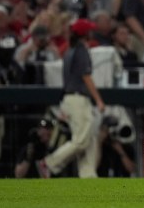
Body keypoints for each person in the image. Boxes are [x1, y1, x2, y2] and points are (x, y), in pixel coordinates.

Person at [36, 18, 105, 178]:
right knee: (81, 140)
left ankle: (88, 176)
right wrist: (99, 100)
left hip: (71, 99)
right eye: (89, 30)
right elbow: (86, 76)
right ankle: (49, 163)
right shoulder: (80, 50)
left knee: (89, 140)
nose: (91, 32)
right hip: (78, 99)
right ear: (84, 33)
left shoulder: (70, 50)